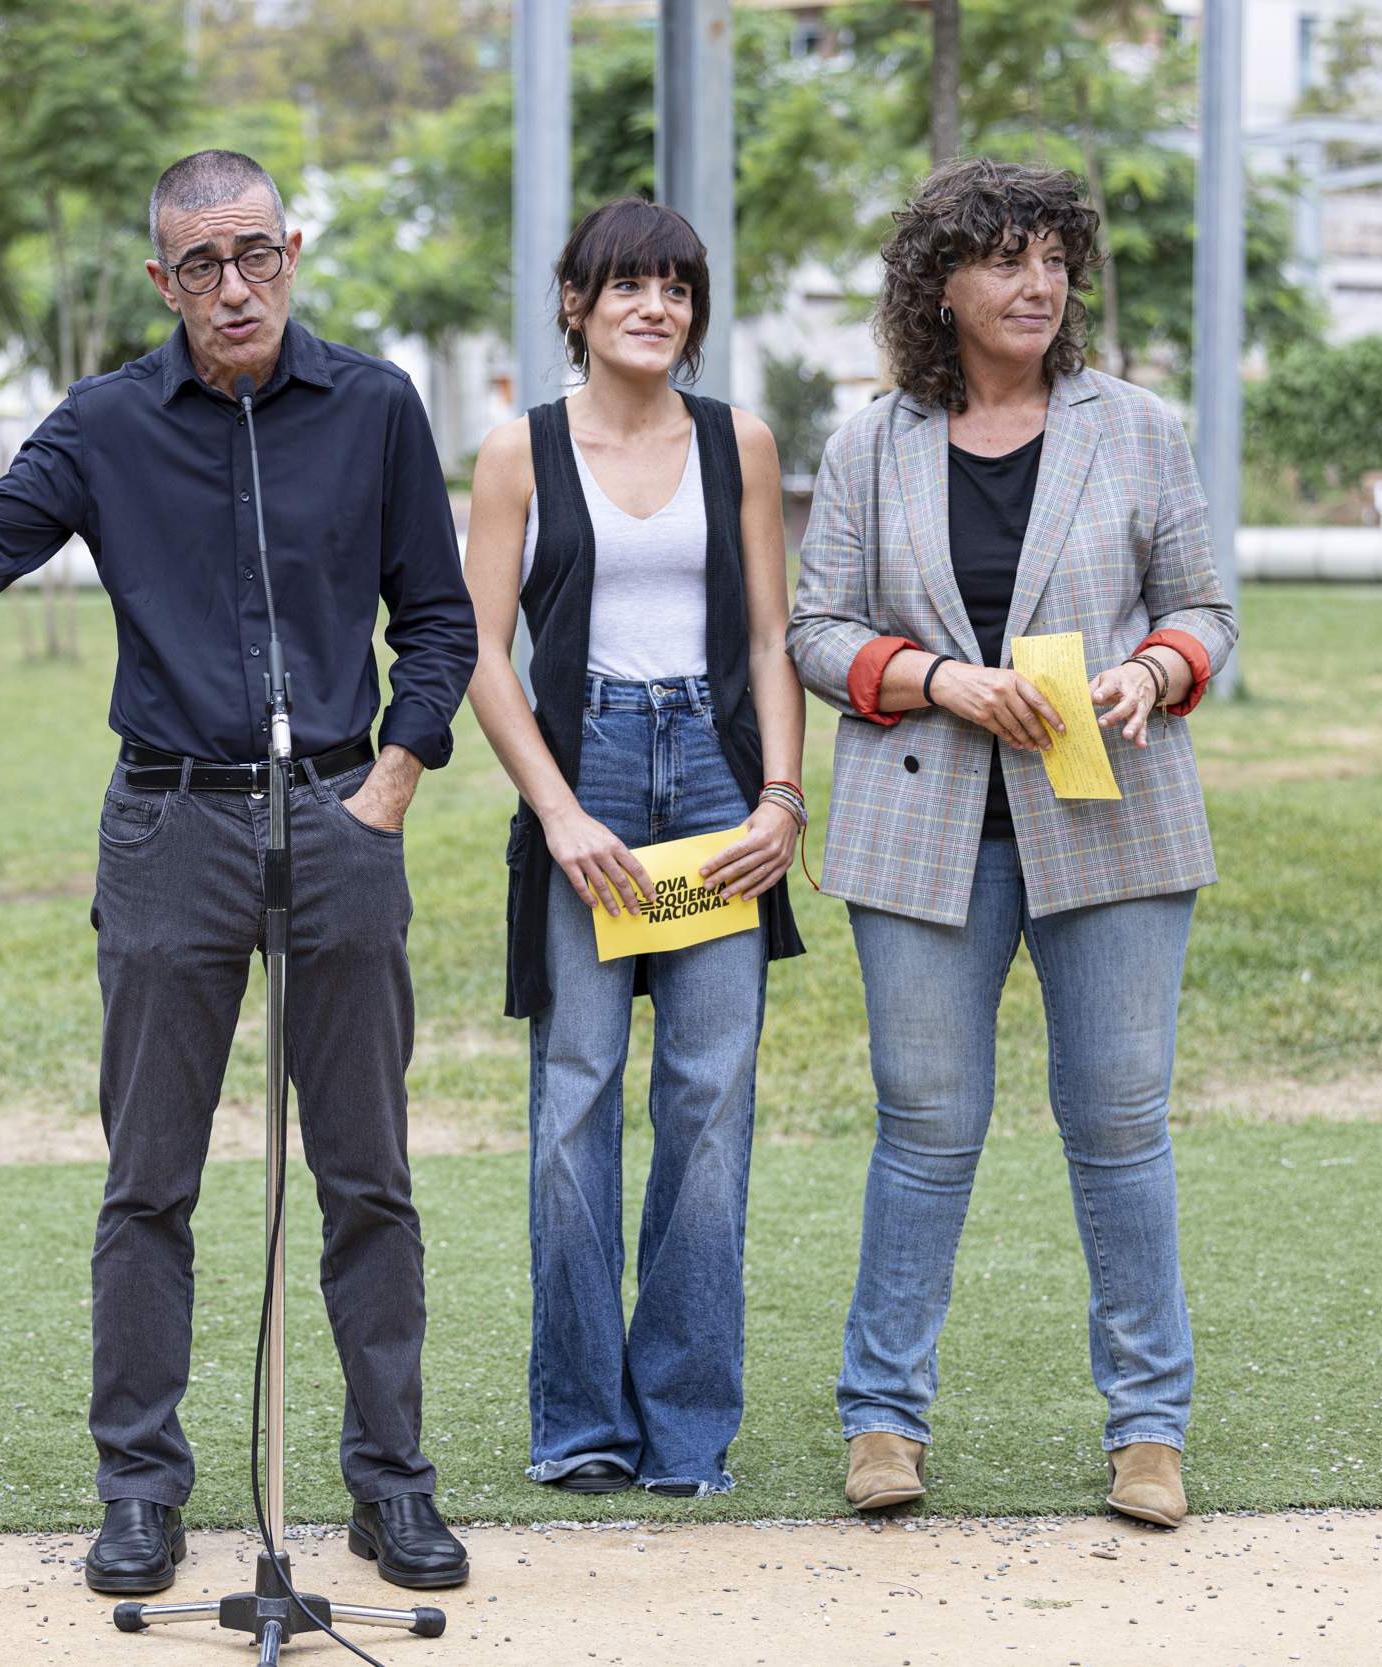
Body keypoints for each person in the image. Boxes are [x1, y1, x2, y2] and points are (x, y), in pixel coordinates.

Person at [0, 150, 478, 1593]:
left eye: (254, 255)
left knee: (367, 1172)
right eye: (198, 265)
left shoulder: (371, 406)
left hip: (343, 816)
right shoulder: (107, 422)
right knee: (148, 1181)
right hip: (172, 829)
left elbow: (438, 618)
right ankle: (141, 1490)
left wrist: (395, 777)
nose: (231, 287)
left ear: (292, 249)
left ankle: (392, 1483)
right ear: (158, 276)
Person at [788, 158, 1237, 1529]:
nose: (1037, 284)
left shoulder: (1140, 427)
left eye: (1053, 259)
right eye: (1004, 260)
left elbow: (1207, 607)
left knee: (1119, 1126)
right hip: (922, 829)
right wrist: (936, 677)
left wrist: (1154, 672)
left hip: (1112, 823)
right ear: (942, 285)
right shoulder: (873, 443)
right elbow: (816, 631)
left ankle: (1148, 1430)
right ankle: (883, 1417)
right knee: (926, 1128)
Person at [460, 198, 807, 1500]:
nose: (655, 306)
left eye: (677, 287)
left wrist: (781, 798)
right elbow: (482, 653)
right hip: (589, 767)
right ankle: (581, 1421)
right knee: (576, 1102)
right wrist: (559, 812)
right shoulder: (521, 452)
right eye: (628, 286)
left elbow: (770, 637)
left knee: (711, 1106)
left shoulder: (742, 444)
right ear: (575, 303)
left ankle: (686, 1431)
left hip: (717, 781)